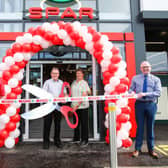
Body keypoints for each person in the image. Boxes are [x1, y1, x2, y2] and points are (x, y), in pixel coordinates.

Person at [129, 61, 162, 159]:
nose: (145, 69)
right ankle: (137, 149)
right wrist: (131, 93)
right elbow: (131, 89)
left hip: (151, 105)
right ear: (140, 68)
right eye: (143, 67)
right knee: (139, 127)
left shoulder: (156, 79)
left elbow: (158, 92)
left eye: (147, 67)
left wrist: (145, 94)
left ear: (150, 68)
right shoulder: (135, 78)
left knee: (150, 127)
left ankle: (151, 149)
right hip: (139, 105)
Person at [43, 67, 63, 149]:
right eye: (53, 73)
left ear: (58, 74)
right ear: (51, 74)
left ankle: (57, 140)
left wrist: (65, 96)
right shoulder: (47, 82)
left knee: (58, 124)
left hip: (58, 105)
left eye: (56, 73)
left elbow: (64, 93)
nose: (55, 75)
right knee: (47, 124)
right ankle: (46, 142)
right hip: (49, 105)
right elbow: (43, 93)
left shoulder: (61, 83)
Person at [71, 68, 91, 147]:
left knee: (84, 124)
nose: (78, 75)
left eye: (80, 73)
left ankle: (85, 140)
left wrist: (77, 106)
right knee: (76, 124)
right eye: (77, 73)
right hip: (74, 107)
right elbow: (72, 94)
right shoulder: (74, 82)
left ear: (83, 74)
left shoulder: (84, 83)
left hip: (82, 107)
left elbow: (84, 95)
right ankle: (76, 138)